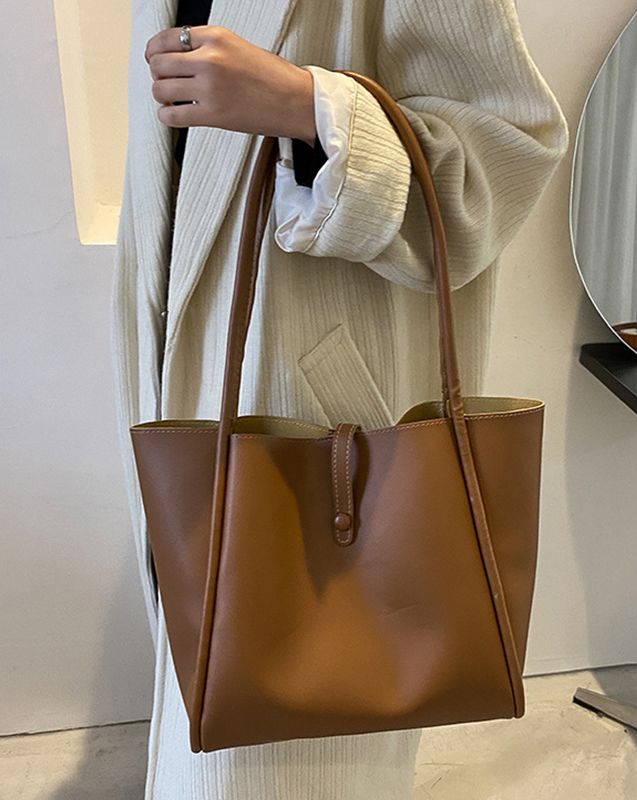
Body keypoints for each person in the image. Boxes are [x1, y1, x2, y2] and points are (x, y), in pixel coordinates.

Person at [110, 0, 568, 797]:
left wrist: (309, 108)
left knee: (282, 758)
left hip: (326, 440)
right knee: (207, 718)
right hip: (182, 381)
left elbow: (508, 154)